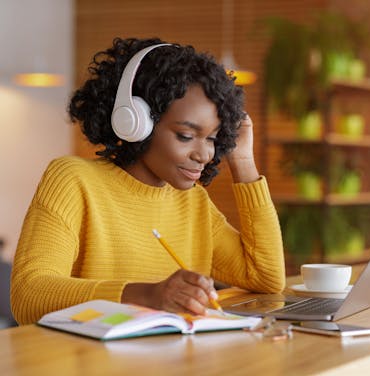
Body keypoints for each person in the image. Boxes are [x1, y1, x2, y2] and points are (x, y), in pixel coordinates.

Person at [11, 37, 285, 325]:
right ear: (135, 122)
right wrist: (145, 295)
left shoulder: (193, 201)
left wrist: (242, 161)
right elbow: (29, 295)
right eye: (186, 136)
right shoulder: (73, 180)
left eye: (214, 139)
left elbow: (266, 278)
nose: (204, 154)